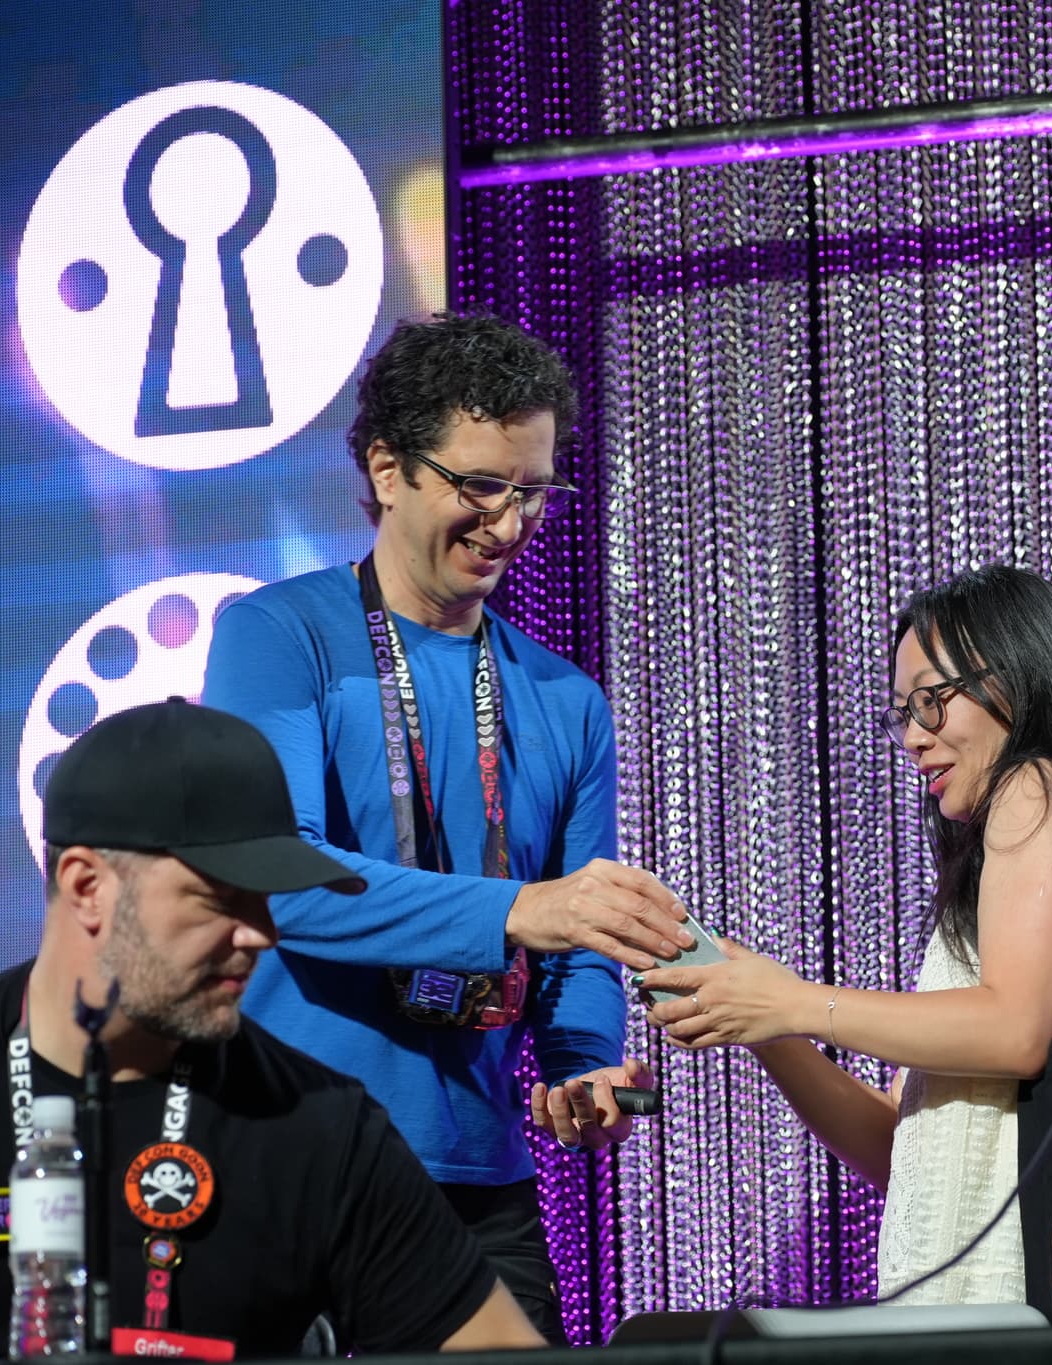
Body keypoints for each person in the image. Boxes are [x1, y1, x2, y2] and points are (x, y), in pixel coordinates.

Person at [202, 313, 690, 1342]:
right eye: (479, 485)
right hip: (290, 1152)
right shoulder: (277, 636)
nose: (508, 524)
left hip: (477, 1174)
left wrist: (580, 1061)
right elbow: (279, 879)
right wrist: (523, 909)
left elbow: (581, 942)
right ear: (387, 468)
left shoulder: (567, 698)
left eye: (532, 490)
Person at [0, 699, 546, 1355]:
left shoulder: (319, 1121)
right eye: (221, 899)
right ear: (87, 886)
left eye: (265, 899)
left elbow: (493, 1344)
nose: (262, 933)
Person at [631, 566, 1052, 1311]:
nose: (915, 738)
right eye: (902, 714)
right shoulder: (1011, 829)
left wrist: (792, 1001)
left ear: (1022, 673)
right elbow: (902, 1151)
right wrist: (764, 1025)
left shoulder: (1039, 786)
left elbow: (1018, 1028)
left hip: (1032, 1265)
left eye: (932, 701)